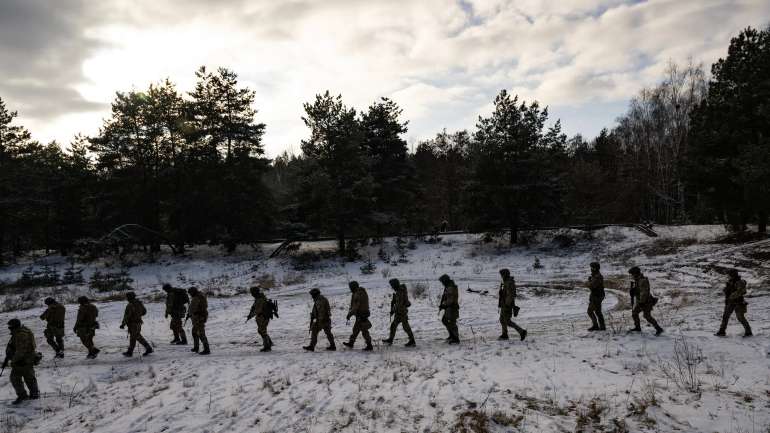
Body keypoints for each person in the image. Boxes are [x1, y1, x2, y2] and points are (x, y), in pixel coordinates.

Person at [3, 319, 40, 404]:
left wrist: (13, 361)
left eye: (10, 327)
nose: (9, 328)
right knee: (29, 377)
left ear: (14, 326)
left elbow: (21, 351)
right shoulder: (20, 332)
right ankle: (33, 394)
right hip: (26, 359)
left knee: (16, 378)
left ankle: (24, 396)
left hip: (23, 360)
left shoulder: (21, 335)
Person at [715, 269, 752, 337]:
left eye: (730, 274)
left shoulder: (740, 282)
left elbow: (742, 291)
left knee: (740, 318)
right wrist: (726, 291)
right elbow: (728, 291)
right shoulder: (730, 282)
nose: (729, 276)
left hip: (738, 302)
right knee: (725, 317)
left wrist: (732, 296)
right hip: (730, 302)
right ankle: (722, 331)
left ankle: (748, 332)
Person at [628, 267, 663, 336]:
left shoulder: (642, 281)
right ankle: (638, 327)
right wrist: (634, 291)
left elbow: (644, 293)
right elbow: (639, 290)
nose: (632, 275)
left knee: (647, 316)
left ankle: (658, 329)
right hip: (641, 301)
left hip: (646, 302)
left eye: (632, 274)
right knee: (634, 313)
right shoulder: (638, 280)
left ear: (636, 273)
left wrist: (641, 302)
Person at [382, 278, 416, 347]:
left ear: (395, 285)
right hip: (399, 312)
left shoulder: (400, 292)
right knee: (394, 326)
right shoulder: (399, 291)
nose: (392, 287)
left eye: (392, 285)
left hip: (402, 312)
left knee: (406, 327)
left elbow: (399, 304)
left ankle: (412, 341)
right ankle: (391, 339)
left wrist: (393, 310)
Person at [119, 292, 153, 357]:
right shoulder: (139, 303)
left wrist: (123, 324)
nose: (127, 298)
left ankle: (131, 352)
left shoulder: (130, 305)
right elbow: (144, 312)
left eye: (127, 297)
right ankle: (146, 348)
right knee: (136, 336)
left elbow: (127, 316)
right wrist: (138, 315)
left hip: (133, 324)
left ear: (129, 297)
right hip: (138, 322)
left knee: (135, 337)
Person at [342, 281, 373, 351]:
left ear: (353, 287)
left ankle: (369, 345)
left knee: (364, 331)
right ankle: (351, 342)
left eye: (350, 287)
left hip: (361, 315)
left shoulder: (357, 294)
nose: (350, 289)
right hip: (362, 314)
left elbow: (356, 307)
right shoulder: (361, 292)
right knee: (356, 329)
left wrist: (349, 314)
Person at [498, 269, 527, 341]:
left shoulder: (509, 282)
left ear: (505, 274)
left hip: (507, 305)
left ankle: (522, 332)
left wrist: (507, 304)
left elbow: (511, 295)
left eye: (502, 274)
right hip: (504, 304)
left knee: (507, 321)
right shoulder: (505, 282)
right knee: (502, 320)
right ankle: (504, 334)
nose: (501, 276)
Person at [247, 286, 274, 352]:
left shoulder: (260, 299)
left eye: (252, 293)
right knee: (262, 330)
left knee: (262, 331)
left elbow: (258, 310)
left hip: (263, 317)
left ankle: (267, 346)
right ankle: (269, 343)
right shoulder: (259, 298)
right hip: (261, 317)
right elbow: (255, 308)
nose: (251, 294)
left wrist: (251, 315)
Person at [187, 287, 210, 355]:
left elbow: (193, 308)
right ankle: (196, 347)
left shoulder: (197, 297)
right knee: (194, 332)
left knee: (201, 333)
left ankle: (207, 349)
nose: (190, 294)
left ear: (193, 292)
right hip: (198, 317)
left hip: (199, 318)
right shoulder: (199, 296)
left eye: (190, 293)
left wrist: (190, 313)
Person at [438, 274, 460, 344]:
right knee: (445, 320)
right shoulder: (448, 287)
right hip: (449, 308)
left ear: (445, 281)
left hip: (452, 307)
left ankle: (456, 338)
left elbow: (450, 299)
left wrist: (444, 305)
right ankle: (451, 335)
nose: (442, 283)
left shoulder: (450, 287)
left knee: (452, 323)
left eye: (442, 282)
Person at [586, 262, 606, 331]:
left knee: (590, 311)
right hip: (597, 296)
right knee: (598, 312)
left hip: (596, 296)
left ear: (595, 268)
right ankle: (602, 327)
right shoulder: (596, 276)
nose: (591, 269)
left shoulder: (597, 277)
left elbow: (592, 286)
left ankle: (596, 326)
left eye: (592, 268)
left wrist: (589, 281)